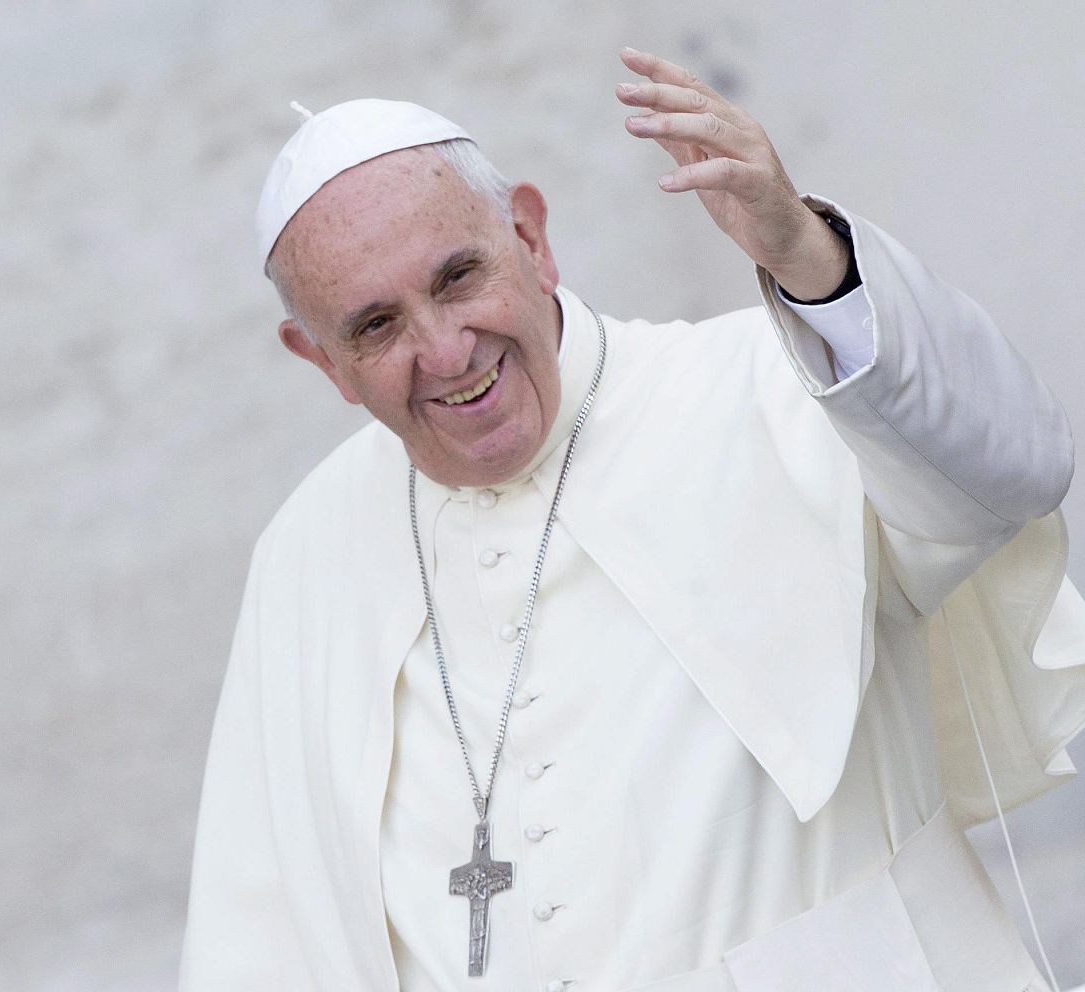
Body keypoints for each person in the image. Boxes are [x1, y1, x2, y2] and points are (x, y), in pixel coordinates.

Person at [180, 47, 1085, 991]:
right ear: (319, 359)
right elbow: (262, 949)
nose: (445, 352)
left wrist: (809, 259)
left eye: (458, 278)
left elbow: (1013, 468)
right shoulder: (305, 551)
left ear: (530, 239)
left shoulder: (782, 384)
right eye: (375, 326)